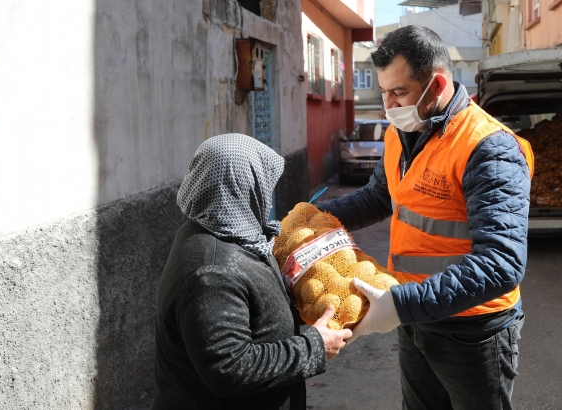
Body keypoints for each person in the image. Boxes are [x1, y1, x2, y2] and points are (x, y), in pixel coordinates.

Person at [318, 26, 534, 410]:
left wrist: (399, 305)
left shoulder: (488, 148)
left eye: (399, 92)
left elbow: (502, 263)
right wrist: (314, 219)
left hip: (473, 331)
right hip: (413, 317)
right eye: (384, 91)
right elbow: (378, 197)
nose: (388, 105)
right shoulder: (401, 132)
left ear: (436, 85)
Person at [153, 134, 352, 410]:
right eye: (264, 186)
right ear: (243, 188)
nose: (267, 197)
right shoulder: (211, 271)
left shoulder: (222, 231)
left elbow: (251, 304)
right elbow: (230, 368)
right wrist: (313, 347)